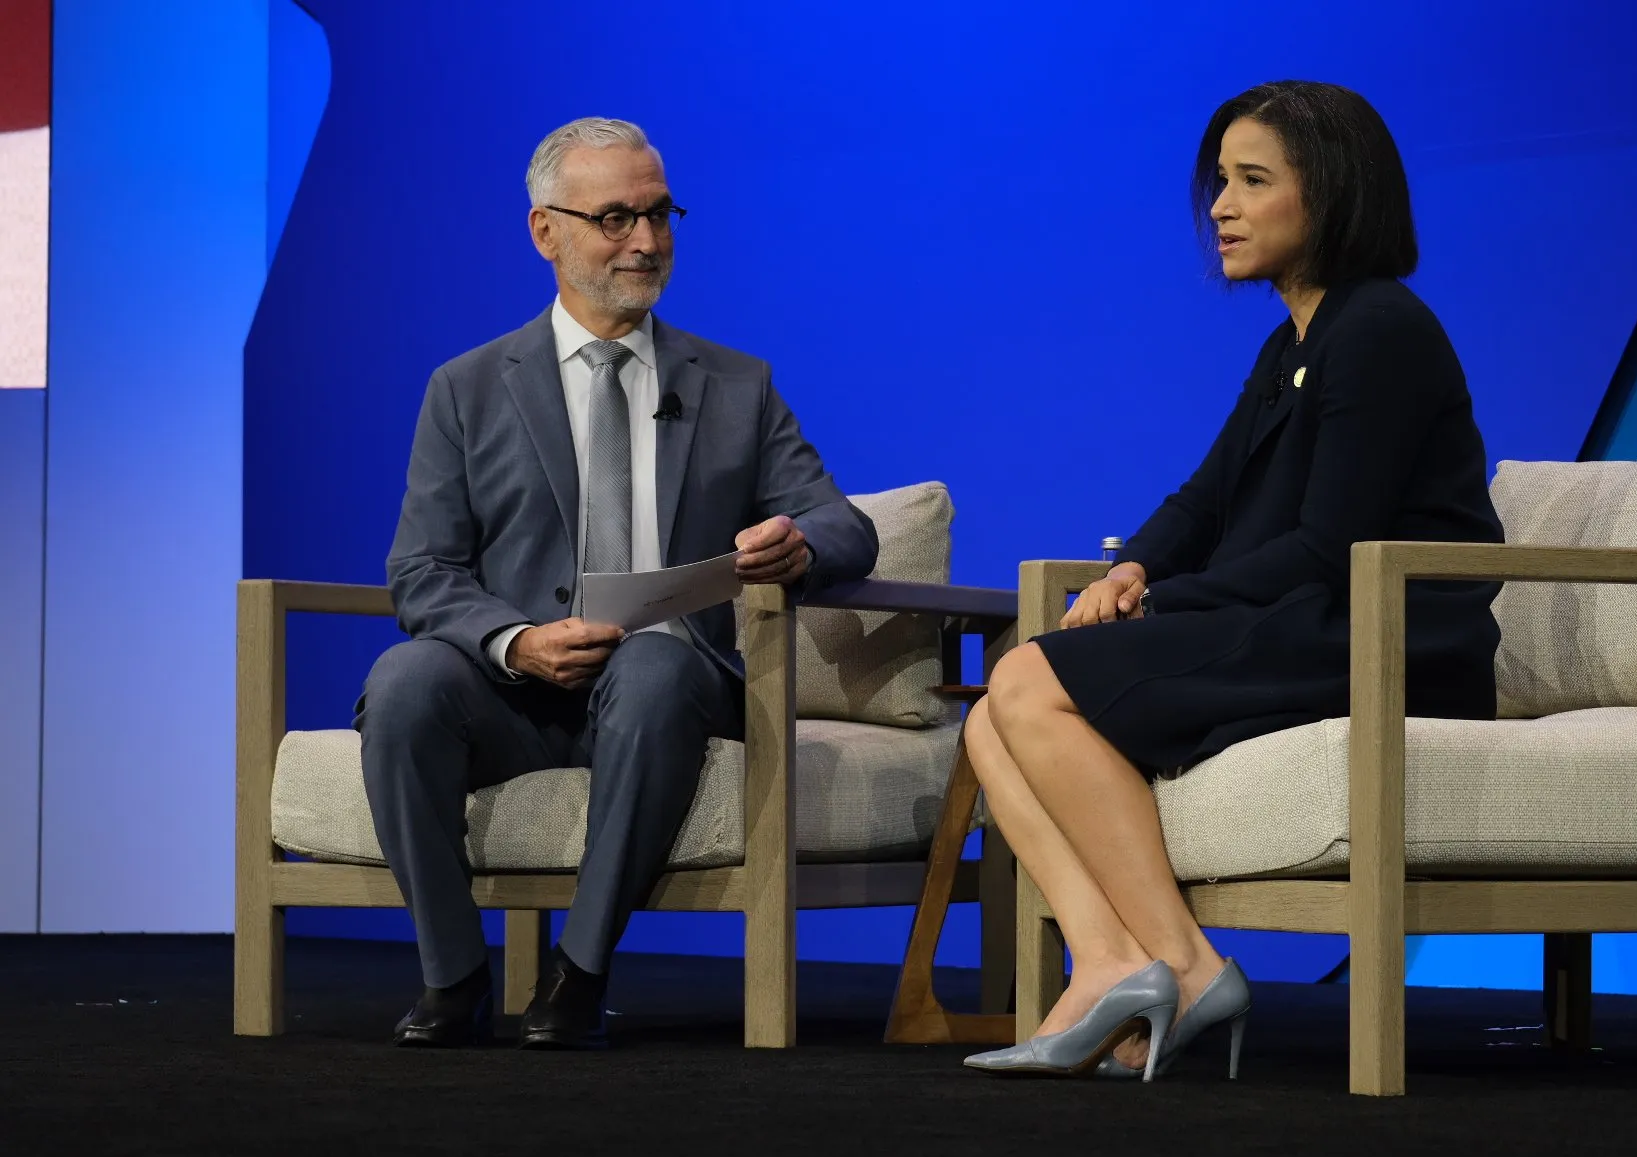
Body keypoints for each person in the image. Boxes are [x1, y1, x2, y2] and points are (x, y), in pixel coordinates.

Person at [962, 81, 1504, 1082]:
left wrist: (1160, 602)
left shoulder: (1381, 328)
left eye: (1252, 181)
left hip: (1383, 634)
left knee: (1030, 678)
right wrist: (1133, 566)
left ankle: (1183, 961)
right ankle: (1109, 961)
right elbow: (1207, 499)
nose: (1219, 205)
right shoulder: (1293, 340)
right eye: (1220, 181)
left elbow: (1326, 545)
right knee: (990, 715)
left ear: (1331, 194)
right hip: (1310, 617)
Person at [358, 117, 878, 1050]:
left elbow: (845, 525)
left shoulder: (735, 384)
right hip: (516, 690)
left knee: (651, 669)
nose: (645, 241)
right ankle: (453, 975)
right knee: (402, 684)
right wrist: (515, 642)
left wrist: (798, 544)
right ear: (545, 232)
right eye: (614, 219)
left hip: (667, 689)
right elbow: (421, 569)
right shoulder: (468, 389)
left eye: (658, 214)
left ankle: (579, 974)